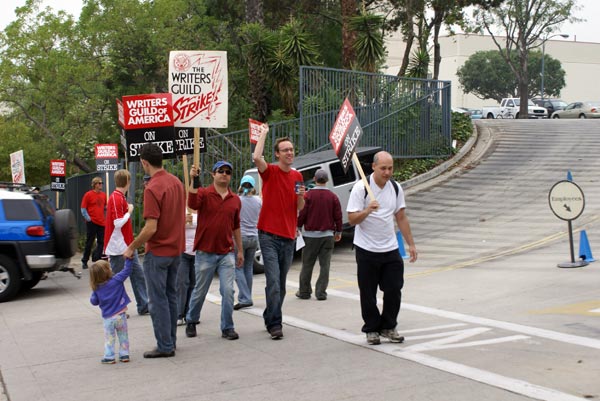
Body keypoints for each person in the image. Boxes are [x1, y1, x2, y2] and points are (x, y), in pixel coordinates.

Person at [347, 151, 417, 345]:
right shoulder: (361, 189)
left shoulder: (395, 188)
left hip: (390, 248)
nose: (387, 172)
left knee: (394, 289)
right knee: (368, 293)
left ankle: (388, 326)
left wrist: (410, 243)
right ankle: (371, 328)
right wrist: (368, 210)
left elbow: (400, 217)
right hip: (366, 249)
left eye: (390, 168)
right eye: (383, 168)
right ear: (374, 167)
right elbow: (352, 219)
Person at [124, 143, 185, 358]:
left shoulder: (153, 188)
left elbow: (151, 227)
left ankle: (164, 345)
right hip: (176, 249)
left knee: (157, 300)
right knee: (170, 296)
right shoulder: (176, 182)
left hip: (158, 252)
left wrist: (132, 247)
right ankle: (171, 341)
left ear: (144, 162)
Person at [252, 124, 305, 340]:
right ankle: (275, 324)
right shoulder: (270, 172)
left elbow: (299, 207)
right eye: (285, 150)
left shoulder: (298, 176)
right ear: (277, 154)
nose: (290, 153)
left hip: (288, 237)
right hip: (268, 235)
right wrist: (263, 133)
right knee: (273, 281)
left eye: (291, 149)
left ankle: (269, 314)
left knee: (280, 285)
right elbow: (256, 157)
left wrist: (301, 195)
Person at [185, 161, 244, 341]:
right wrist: (194, 180)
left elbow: (236, 226)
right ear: (213, 174)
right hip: (205, 251)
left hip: (226, 252)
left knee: (228, 291)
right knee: (200, 291)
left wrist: (240, 250)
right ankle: (191, 320)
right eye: (221, 171)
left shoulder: (235, 200)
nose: (224, 174)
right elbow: (193, 203)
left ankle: (227, 327)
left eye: (228, 172)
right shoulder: (204, 193)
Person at [104, 169, 149, 316]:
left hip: (126, 244)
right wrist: (129, 211)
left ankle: (143, 305)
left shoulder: (117, 197)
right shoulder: (116, 198)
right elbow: (117, 223)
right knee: (117, 278)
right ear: (128, 182)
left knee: (137, 274)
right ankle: (115, 308)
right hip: (119, 246)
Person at [296, 169, 342, 301]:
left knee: (307, 265)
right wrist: (338, 231)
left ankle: (304, 291)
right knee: (325, 265)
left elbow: (303, 213)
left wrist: (298, 226)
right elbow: (338, 216)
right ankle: (321, 292)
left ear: (315, 179)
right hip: (327, 236)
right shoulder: (333, 197)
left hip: (310, 236)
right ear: (326, 181)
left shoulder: (308, 196)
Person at [89, 258, 133, 364]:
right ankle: (124, 354)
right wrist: (129, 259)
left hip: (108, 318)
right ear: (108, 271)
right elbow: (127, 270)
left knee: (109, 338)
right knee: (123, 336)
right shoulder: (117, 280)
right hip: (121, 315)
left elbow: (94, 302)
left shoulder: (97, 288)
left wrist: (94, 292)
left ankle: (109, 356)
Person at [234, 175, 262, 310]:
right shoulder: (258, 201)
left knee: (238, 267)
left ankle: (245, 298)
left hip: (240, 237)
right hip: (254, 238)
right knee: (248, 267)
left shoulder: (237, 201)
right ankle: (247, 296)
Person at [81, 176, 106, 269]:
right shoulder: (88, 195)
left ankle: (97, 259)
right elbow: (83, 209)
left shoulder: (103, 195)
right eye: (99, 183)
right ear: (95, 184)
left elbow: (105, 207)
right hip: (92, 222)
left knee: (101, 242)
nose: (101, 185)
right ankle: (84, 261)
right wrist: (88, 219)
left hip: (101, 222)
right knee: (89, 242)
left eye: (101, 183)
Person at [176, 211, 197, 326]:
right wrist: (182, 220)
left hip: (197, 252)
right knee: (182, 283)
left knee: (194, 284)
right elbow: (172, 224)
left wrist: (191, 220)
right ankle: (179, 314)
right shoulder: (181, 207)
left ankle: (190, 313)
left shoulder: (200, 206)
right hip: (182, 252)